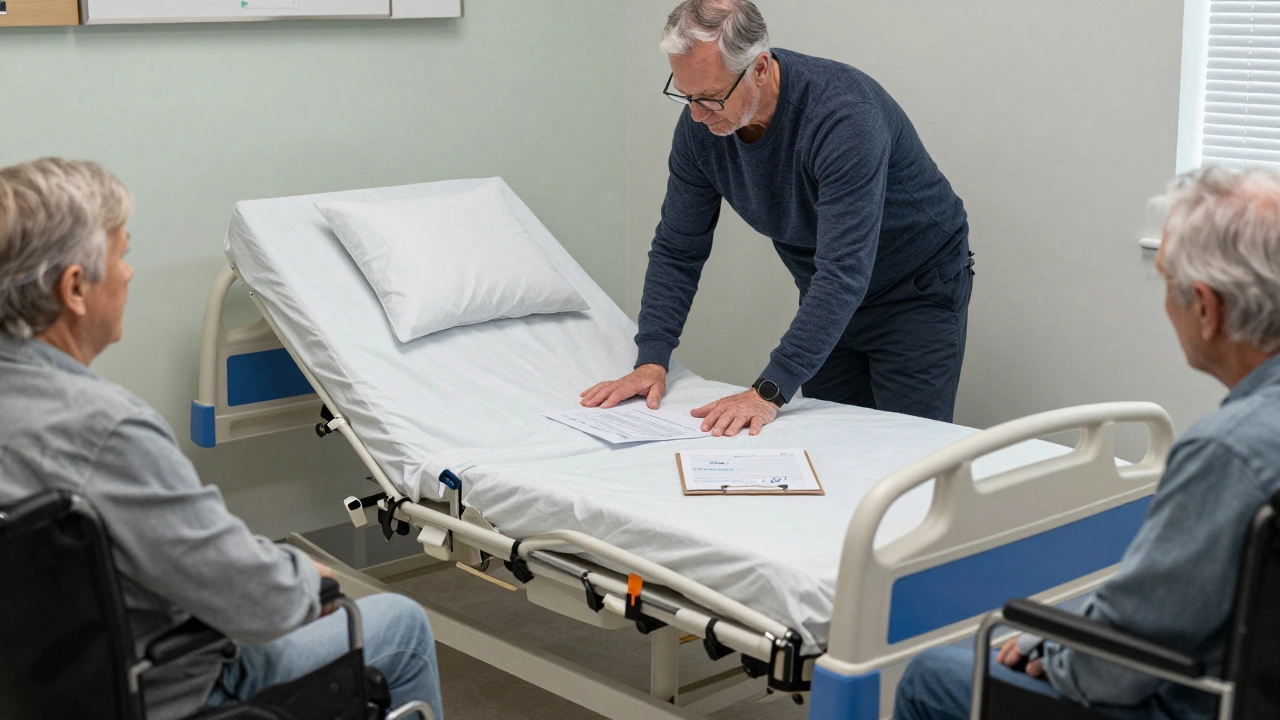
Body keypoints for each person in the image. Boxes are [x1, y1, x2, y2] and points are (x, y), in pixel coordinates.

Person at [0, 158, 444, 720]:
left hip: (31, 692)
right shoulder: (105, 430)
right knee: (401, 623)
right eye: (121, 254)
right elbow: (259, 603)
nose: (130, 274)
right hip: (163, 692)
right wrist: (306, 579)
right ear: (74, 288)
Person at [893, 165, 1280, 720]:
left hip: (1200, 702)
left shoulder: (1228, 454)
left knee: (933, 678)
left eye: (1166, 282)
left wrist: (1056, 655)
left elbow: (1110, 673)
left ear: (1206, 307)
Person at [581, 0, 973, 436]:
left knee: (909, 452)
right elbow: (678, 248)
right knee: (835, 447)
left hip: (914, 288)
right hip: (827, 293)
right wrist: (651, 359)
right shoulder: (701, 128)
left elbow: (845, 269)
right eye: (686, 94)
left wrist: (768, 390)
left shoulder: (843, 116)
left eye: (710, 97)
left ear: (761, 68)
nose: (695, 114)